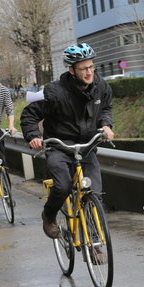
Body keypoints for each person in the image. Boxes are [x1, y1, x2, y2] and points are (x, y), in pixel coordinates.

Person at [20, 42, 114, 239]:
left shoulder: (101, 87)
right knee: (62, 186)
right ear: (71, 70)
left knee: (95, 193)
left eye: (91, 66)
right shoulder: (53, 92)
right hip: (59, 147)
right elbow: (29, 116)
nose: (89, 72)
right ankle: (49, 215)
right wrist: (34, 136)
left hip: (87, 147)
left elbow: (106, 108)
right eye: (83, 68)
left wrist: (106, 125)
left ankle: (94, 240)